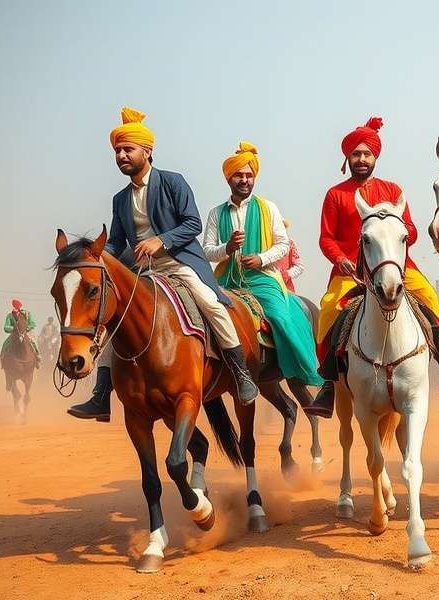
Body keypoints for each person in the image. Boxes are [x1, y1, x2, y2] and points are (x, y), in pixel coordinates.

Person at [67, 107, 258, 421]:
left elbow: (193, 223)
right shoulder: (120, 199)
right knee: (113, 321)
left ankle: (241, 374)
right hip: (141, 272)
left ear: (147, 151)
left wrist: (161, 240)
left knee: (212, 304)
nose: (121, 155)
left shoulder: (172, 182)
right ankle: (101, 394)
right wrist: (96, 259)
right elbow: (116, 242)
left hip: (180, 264)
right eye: (117, 151)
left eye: (127, 149)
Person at [305, 117, 439, 418]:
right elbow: (325, 238)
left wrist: (398, 231)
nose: (361, 159)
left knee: (430, 299)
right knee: (329, 309)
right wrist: (340, 259)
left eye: (367, 154)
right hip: (350, 271)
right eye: (356, 154)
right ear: (348, 158)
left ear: (375, 157)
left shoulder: (393, 190)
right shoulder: (335, 195)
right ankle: (328, 382)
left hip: (397, 266)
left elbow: (410, 230)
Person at [203, 141, 324, 390]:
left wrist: (261, 259)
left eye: (249, 175)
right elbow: (206, 251)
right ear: (229, 178)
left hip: (263, 279)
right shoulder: (216, 213)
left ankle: (304, 370)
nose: (244, 180)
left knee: (280, 317)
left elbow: (283, 244)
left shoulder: (268, 208)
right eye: (239, 175)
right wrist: (226, 249)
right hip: (227, 280)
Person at [2, 299, 40, 368]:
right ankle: (2, 360)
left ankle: (37, 358)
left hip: (26, 333)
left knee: (33, 342)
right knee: (5, 344)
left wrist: (27, 328)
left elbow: (32, 323)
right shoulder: (10, 316)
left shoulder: (27, 314)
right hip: (14, 334)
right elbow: (5, 327)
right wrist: (13, 328)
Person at [275, 219, 304, 293]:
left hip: (286, 287)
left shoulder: (290, 243)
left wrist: (286, 274)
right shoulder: (264, 244)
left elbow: (299, 266)